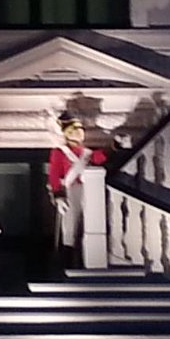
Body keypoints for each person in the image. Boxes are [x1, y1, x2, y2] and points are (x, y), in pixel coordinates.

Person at [48, 112, 107, 268]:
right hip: (70, 191)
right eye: (76, 130)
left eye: (81, 129)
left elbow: (101, 157)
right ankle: (67, 263)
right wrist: (58, 195)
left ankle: (84, 260)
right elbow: (54, 175)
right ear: (68, 133)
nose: (80, 133)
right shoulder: (59, 152)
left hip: (89, 191)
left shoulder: (87, 153)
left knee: (89, 225)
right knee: (70, 228)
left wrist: (116, 146)